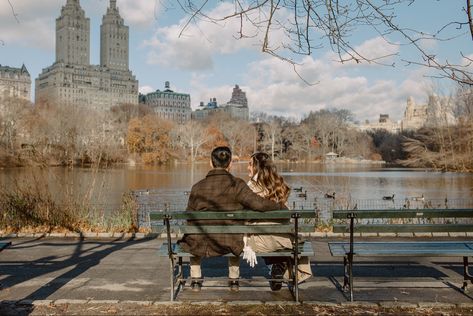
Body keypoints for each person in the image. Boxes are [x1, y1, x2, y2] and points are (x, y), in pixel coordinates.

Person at [177, 146, 285, 292]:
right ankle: (234, 279)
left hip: (201, 242)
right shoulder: (237, 185)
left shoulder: (197, 187)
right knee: (235, 233)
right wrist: (280, 207)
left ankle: (195, 279)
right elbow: (259, 204)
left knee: (193, 234)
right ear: (230, 164)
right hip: (230, 241)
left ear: (211, 162)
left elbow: (189, 215)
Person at [244, 152, 312, 290]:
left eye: (250, 164)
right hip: (284, 239)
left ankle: (275, 267)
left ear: (257, 167)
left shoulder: (250, 188)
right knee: (279, 237)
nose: (247, 167)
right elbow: (285, 214)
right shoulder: (279, 186)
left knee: (262, 236)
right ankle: (278, 266)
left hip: (260, 240)